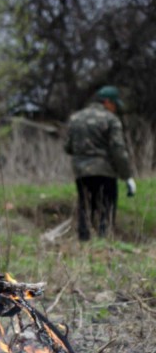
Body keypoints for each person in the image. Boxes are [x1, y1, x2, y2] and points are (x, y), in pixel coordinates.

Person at [64, 85, 136, 242]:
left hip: (81, 172)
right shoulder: (111, 120)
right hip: (105, 172)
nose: (115, 108)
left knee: (85, 204)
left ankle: (83, 240)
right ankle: (105, 239)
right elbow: (118, 150)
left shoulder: (75, 118)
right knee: (107, 206)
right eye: (114, 105)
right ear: (107, 102)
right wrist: (127, 176)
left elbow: (68, 147)